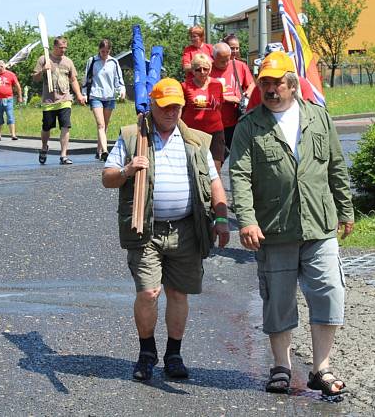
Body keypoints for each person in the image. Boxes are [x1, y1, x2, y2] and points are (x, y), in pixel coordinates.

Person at [229, 51, 354, 397]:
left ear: (293, 84)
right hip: (274, 228)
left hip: (319, 223)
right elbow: (239, 175)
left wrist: (346, 209)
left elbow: (336, 166)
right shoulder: (249, 126)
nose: (270, 89)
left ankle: (320, 369)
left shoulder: (318, 118)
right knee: (278, 300)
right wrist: (247, 221)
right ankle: (281, 366)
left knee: (330, 292)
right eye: (265, 83)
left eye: (277, 83)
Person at [102, 77, 230, 382]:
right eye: (166, 106)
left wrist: (222, 218)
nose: (172, 112)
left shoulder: (195, 140)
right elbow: (107, 178)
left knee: (178, 293)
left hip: (186, 229)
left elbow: (213, 182)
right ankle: (147, 353)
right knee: (149, 292)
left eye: (177, 106)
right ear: (154, 106)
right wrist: (127, 169)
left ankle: (174, 354)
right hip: (144, 229)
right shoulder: (133, 137)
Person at [32, 36, 86, 164]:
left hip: (65, 99)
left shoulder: (68, 61)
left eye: (65, 48)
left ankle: (63, 155)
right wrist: (43, 70)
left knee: (65, 126)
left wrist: (79, 95)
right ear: (54, 47)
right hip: (49, 101)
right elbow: (35, 78)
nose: (63, 50)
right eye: (61, 48)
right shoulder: (43, 59)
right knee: (46, 128)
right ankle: (44, 147)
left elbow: (73, 80)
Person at [181, 53, 226, 172]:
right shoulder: (185, 86)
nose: (202, 72)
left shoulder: (217, 84)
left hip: (215, 132)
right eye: (198, 69)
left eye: (205, 69)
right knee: (196, 169)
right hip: (193, 133)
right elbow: (181, 110)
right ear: (193, 71)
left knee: (215, 171)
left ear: (210, 69)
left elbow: (219, 106)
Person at [83, 39, 125, 160]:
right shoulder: (92, 61)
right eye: (102, 51)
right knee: (100, 124)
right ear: (99, 50)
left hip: (110, 96)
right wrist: (84, 93)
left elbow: (118, 79)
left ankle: (98, 150)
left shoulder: (114, 62)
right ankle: (105, 151)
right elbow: (87, 78)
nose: (104, 54)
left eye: (107, 51)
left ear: (110, 51)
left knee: (105, 125)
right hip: (96, 95)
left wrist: (121, 90)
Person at [210, 40, 255, 151]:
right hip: (215, 123)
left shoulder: (239, 66)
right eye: (222, 61)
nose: (226, 64)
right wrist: (226, 98)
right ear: (213, 58)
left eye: (228, 60)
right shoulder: (207, 70)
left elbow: (252, 84)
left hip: (236, 121)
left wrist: (246, 95)